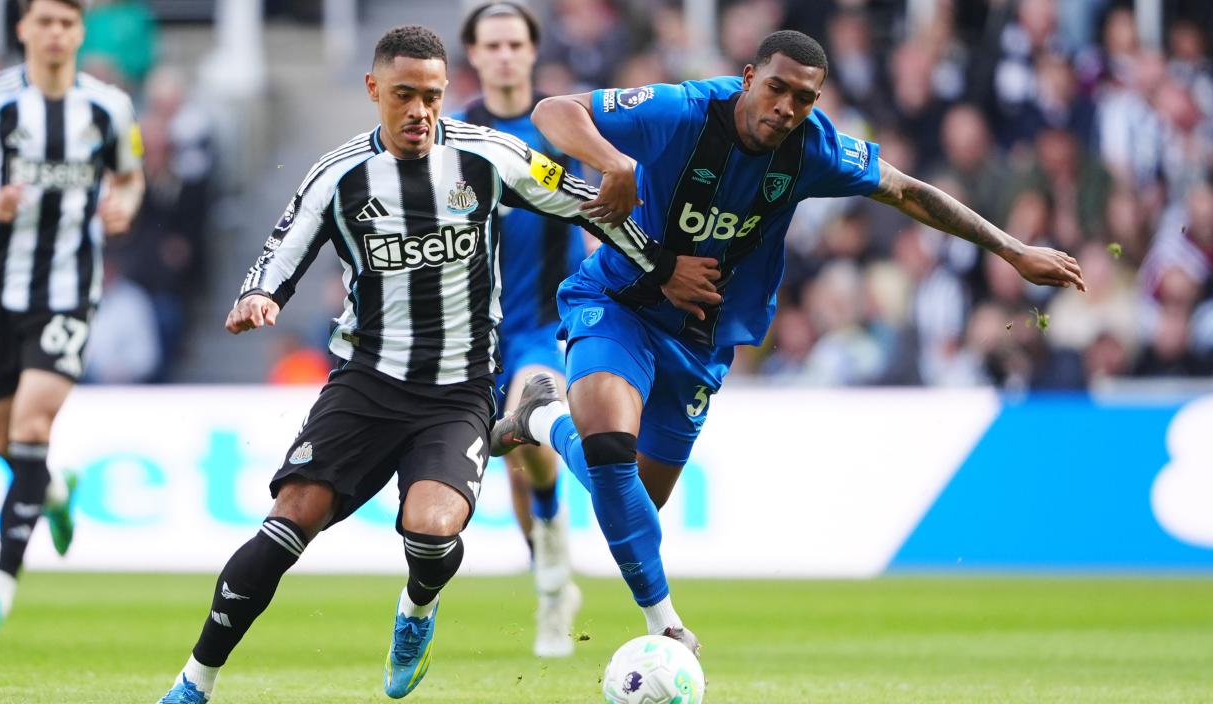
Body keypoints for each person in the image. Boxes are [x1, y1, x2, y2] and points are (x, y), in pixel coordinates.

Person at [157, 25, 717, 703]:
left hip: (458, 392)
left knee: (432, 529)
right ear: (374, 89)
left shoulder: (490, 156)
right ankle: (193, 683)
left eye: (431, 96)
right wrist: (259, 295)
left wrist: (662, 267)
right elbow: (282, 247)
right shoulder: (338, 174)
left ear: (447, 91)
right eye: (404, 95)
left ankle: (416, 610)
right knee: (291, 518)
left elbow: (588, 204)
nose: (419, 111)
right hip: (365, 384)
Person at [492, 30, 1086, 653]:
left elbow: (908, 191)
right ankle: (666, 626)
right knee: (611, 451)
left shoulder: (814, 148)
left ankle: (544, 418)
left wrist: (1013, 250)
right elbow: (554, 110)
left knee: (632, 497)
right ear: (749, 78)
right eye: (776, 88)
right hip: (619, 304)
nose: (786, 108)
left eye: (804, 98)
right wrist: (614, 163)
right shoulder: (682, 110)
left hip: (700, 339)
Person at [0, 0, 145, 636]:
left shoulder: (108, 107)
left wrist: (124, 206)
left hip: (69, 292)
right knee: (5, 443)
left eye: (66, 23)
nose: (55, 33)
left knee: (32, 424)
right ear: (23, 28)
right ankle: (55, 490)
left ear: (79, 31)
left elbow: (131, 177)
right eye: (44, 21)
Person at [456, 0, 583, 658]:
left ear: (532, 51)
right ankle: (550, 576)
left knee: (531, 415)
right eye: (493, 45)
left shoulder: (562, 128)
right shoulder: (453, 136)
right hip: (476, 335)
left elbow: (600, 211)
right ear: (474, 55)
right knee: (514, 466)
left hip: (545, 324)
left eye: (515, 44)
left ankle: (554, 577)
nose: (505, 55)